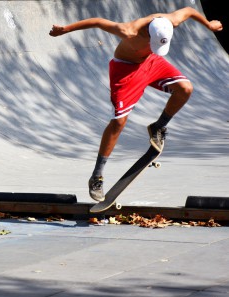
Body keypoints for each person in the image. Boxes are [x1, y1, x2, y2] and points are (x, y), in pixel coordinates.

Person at [49, 7, 223, 201]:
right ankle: (96, 176)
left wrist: (208, 25)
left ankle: (158, 126)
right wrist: (65, 29)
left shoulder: (169, 21)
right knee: (119, 122)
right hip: (125, 71)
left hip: (151, 63)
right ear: (146, 33)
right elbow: (97, 21)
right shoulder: (128, 30)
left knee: (185, 88)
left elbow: (190, 10)